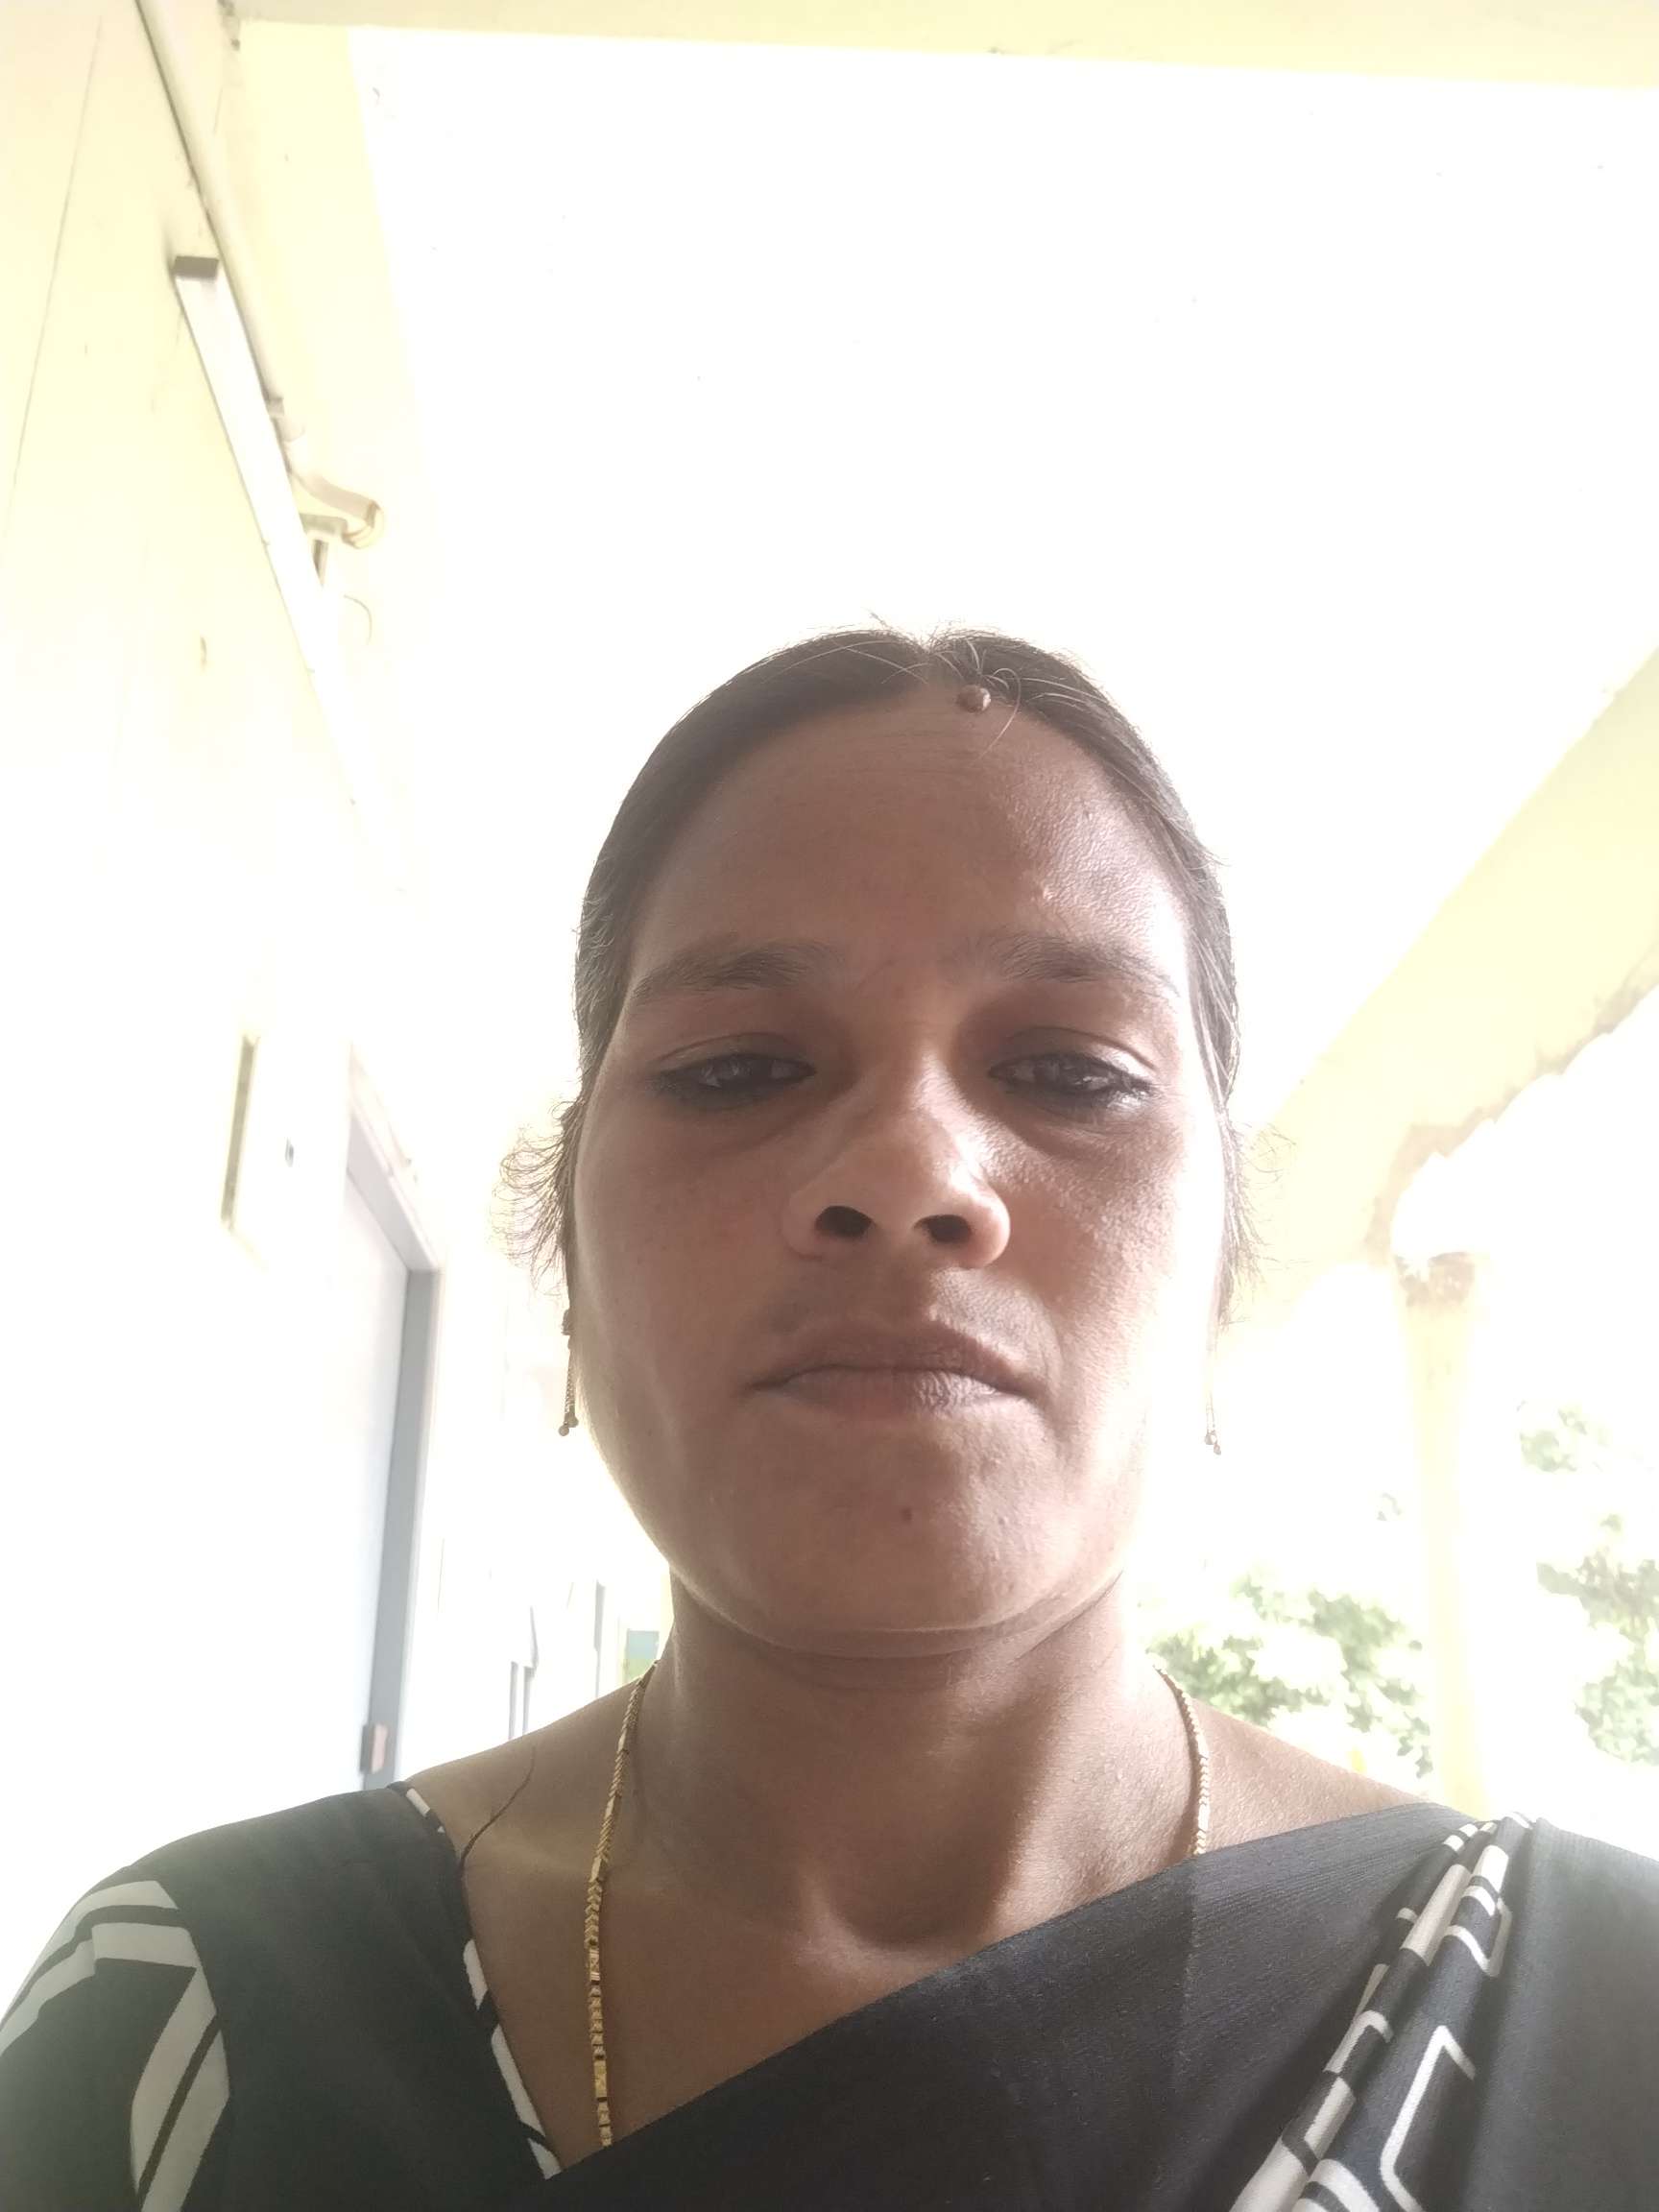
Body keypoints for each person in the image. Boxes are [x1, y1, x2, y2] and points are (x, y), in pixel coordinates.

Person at [3, 631, 1654, 2211]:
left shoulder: (1601, 2027)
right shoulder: (183, 2017)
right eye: (740, 1069)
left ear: (1218, 1274)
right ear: (568, 1259)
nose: (908, 1172)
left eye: (1070, 1071)